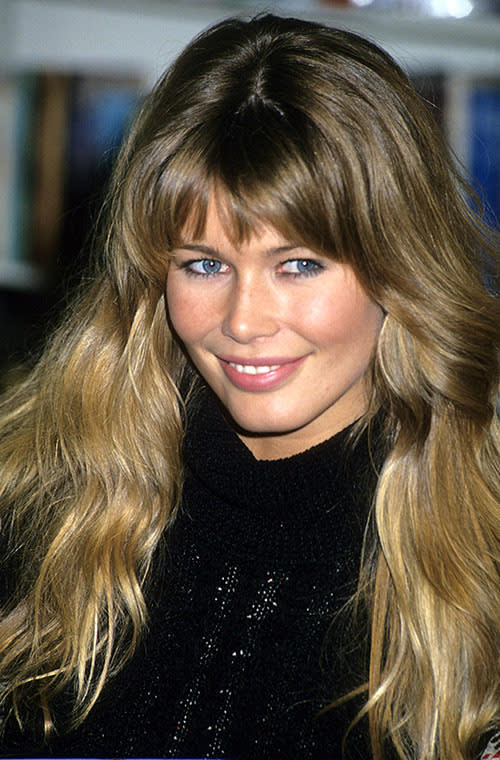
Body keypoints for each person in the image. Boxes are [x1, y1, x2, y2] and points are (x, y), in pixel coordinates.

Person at [0, 12, 498, 760]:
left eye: (298, 265)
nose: (243, 321)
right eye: (203, 263)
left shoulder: (481, 548)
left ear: (399, 267)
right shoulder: (39, 493)